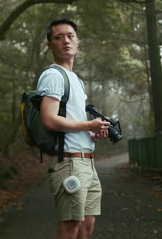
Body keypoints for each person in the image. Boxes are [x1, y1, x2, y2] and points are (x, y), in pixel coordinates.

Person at [37, 18, 110, 239]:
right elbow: (49, 119)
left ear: (78, 42)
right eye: (58, 38)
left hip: (86, 161)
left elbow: (71, 122)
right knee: (70, 229)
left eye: (70, 36)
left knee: (86, 228)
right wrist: (88, 124)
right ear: (50, 45)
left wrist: (92, 132)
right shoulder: (53, 76)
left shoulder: (75, 80)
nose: (66, 41)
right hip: (69, 163)